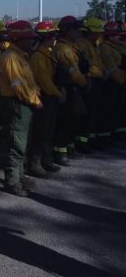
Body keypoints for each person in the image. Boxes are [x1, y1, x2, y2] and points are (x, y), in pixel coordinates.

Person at [0, 21, 43, 196]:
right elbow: (19, 85)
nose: (31, 42)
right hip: (17, 103)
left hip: (24, 103)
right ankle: (12, 181)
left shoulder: (20, 55)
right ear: (18, 39)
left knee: (23, 142)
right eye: (27, 38)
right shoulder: (11, 57)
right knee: (16, 143)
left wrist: (34, 97)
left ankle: (20, 175)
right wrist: (34, 100)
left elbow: (28, 81)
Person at [29, 21, 63, 177]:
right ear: (47, 38)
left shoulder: (46, 53)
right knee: (41, 131)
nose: (54, 38)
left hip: (51, 95)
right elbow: (44, 80)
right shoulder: (38, 56)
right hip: (45, 96)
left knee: (49, 130)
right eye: (52, 36)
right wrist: (57, 93)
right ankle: (35, 164)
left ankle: (47, 160)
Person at [53, 16, 88, 165]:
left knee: (72, 120)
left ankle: (69, 148)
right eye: (75, 30)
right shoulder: (64, 49)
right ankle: (61, 153)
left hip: (73, 88)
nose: (78, 33)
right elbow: (74, 73)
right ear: (67, 31)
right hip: (69, 88)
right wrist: (84, 83)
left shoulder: (72, 47)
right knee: (65, 121)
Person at [75, 18, 106, 150]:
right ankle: (82, 142)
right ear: (87, 32)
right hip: (89, 82)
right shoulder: (83, 45)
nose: (98, 35)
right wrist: (100, 74)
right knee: (86, 114)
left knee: (93, 113)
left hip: (96, 81)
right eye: (96, 33)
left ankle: (89, 139)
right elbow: (87, 66)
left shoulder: (94, 44)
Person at [97, 21, 126, 142]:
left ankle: (118, 131)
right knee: (110, 110)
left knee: (120, 110)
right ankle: (106, 135)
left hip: (120, 83)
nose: (120, 37)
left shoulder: (118, 46)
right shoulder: (105, 48)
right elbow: (112, 68)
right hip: (113, 84)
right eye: (117, 35)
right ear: (109, 35)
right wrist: (122, 81)